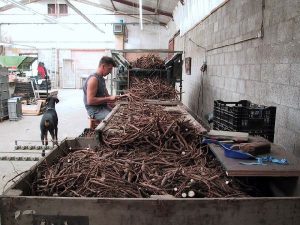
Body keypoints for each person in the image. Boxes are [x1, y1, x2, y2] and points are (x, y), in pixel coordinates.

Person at [83, 56, 122, 120]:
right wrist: (109, 98)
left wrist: (117, 102)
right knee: (116, 119)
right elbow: (90, 101)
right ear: (103, 66)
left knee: (120, 115)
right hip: (95, 111)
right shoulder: (93, 79)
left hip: (103, 107)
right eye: (109, 69)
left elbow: (107, 96)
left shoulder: (102, 79)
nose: (110, 72)